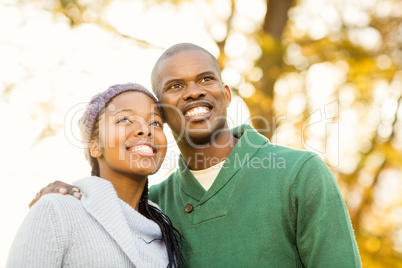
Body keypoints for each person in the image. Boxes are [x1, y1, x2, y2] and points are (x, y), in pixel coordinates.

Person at [28, 43, 362, 267]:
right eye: (175, 86)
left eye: (206, 79)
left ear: (226, 94)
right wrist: (67, 194)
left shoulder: (299, 175)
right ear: (160, 110)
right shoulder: (154, 209)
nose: (193, 91)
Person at [7, 83, 183, 268]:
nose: (145, 130)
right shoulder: (57, 210)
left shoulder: (167, 233)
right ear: (95, 146)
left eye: (155, 123)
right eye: (125, 119)